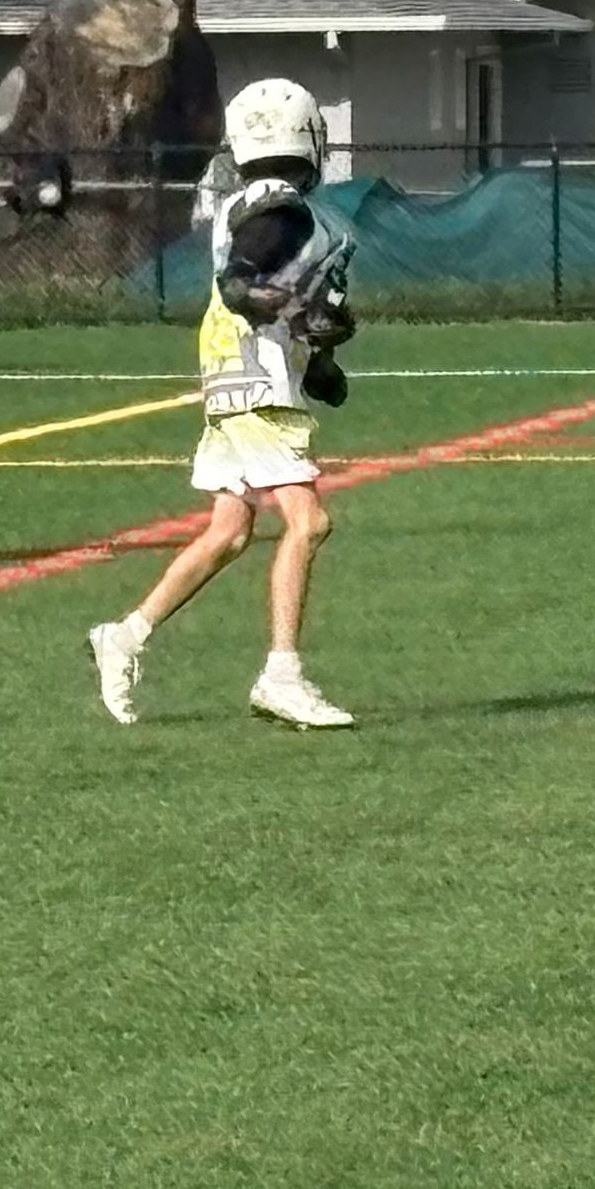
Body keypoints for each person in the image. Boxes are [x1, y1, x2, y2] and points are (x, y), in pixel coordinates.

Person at [86, 78, 357, 731]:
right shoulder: (283, 208)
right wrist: (286, 312)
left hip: (233, 375)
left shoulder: (261, 205)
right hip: (258, 382)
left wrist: (321, 355)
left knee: (230, 531)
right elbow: (244, 281)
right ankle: (281, 675)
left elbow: (277, 292)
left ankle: (123, 636)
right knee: (309, 522)